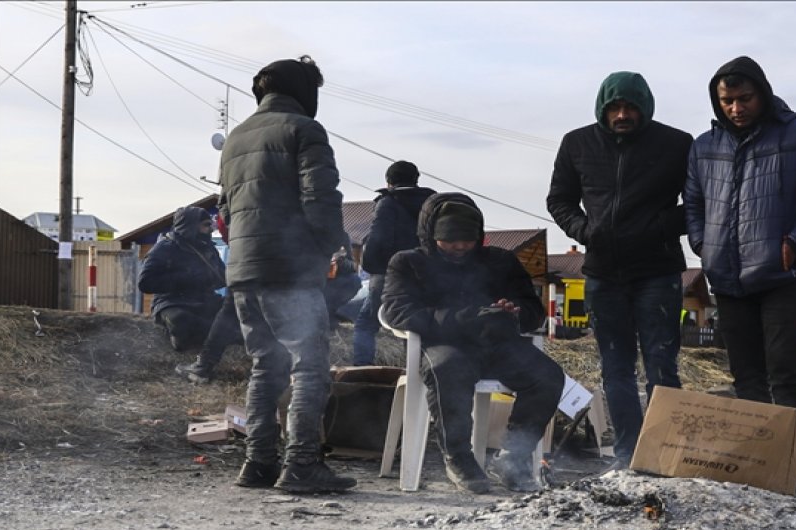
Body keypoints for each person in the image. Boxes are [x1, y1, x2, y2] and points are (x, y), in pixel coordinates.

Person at [218, 55, 356, 494]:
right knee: (310, 367)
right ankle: (301, 465)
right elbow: (321, 198)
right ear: (304, 92)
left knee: (265, 367)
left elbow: (223, 211)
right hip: (289, 269)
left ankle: (257, 464)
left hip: (242, 268)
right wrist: (332, 248)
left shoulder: (235, 138)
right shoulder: (305, 130)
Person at [547, 71, 693, 469]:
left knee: (662, 365)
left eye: (630, 107)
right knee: (616, 367)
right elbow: (559, 199)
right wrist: (585, 231)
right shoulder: (577, 143)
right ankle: (628, 454)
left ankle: (662, 454)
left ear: (644, 107)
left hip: (658, 270)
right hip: (603, 272)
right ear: (603, 109)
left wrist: (660, 226)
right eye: (615, 107)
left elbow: (697, 202)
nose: (623, 114)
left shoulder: (676, 144)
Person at [684, 55, 796, 409]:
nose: (736, 108)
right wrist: (703, 244)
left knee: (785, 372)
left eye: (745, 99)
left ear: (763, 93)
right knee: (746, 377)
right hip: (727, 279)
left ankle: (795, 461)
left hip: (786, 276)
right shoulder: (705, 146)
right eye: (727, 101)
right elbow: (693, 203)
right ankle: (757, 460)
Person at [381, 192, 564, 494]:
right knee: (449, 369)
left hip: (496, 344)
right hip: (442, 345)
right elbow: (398, 311)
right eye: (450, 241)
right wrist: (463, 318)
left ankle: (511, 458)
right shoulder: (408, 262)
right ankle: (459, 458)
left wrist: (515, 314)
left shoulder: (500, 261)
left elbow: (532, 309)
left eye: (467, 240)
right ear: (431, 234)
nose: (460, 247)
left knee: (547, 376)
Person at [353, 160, 436, 366]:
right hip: (424, 272)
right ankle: (415, 369)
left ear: (389, 181)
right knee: (414, 323)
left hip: (388, 272)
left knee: (366, 322)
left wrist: (371, 268)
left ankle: (363, 367)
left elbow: (378, 237)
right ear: (416, 180)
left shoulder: (387, 202)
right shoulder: (432, 203)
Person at [138, 206, 231, 354]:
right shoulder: (165, 248)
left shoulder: (208, 248)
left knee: (237, 313)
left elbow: (221, 278)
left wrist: (211, 278)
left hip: (204, 301)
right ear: (191, 226)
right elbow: (145, 283)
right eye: (206, 225)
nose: (211, 229)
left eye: (210, 225)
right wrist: (187, 277)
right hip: (173, 302)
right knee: (181, 320)